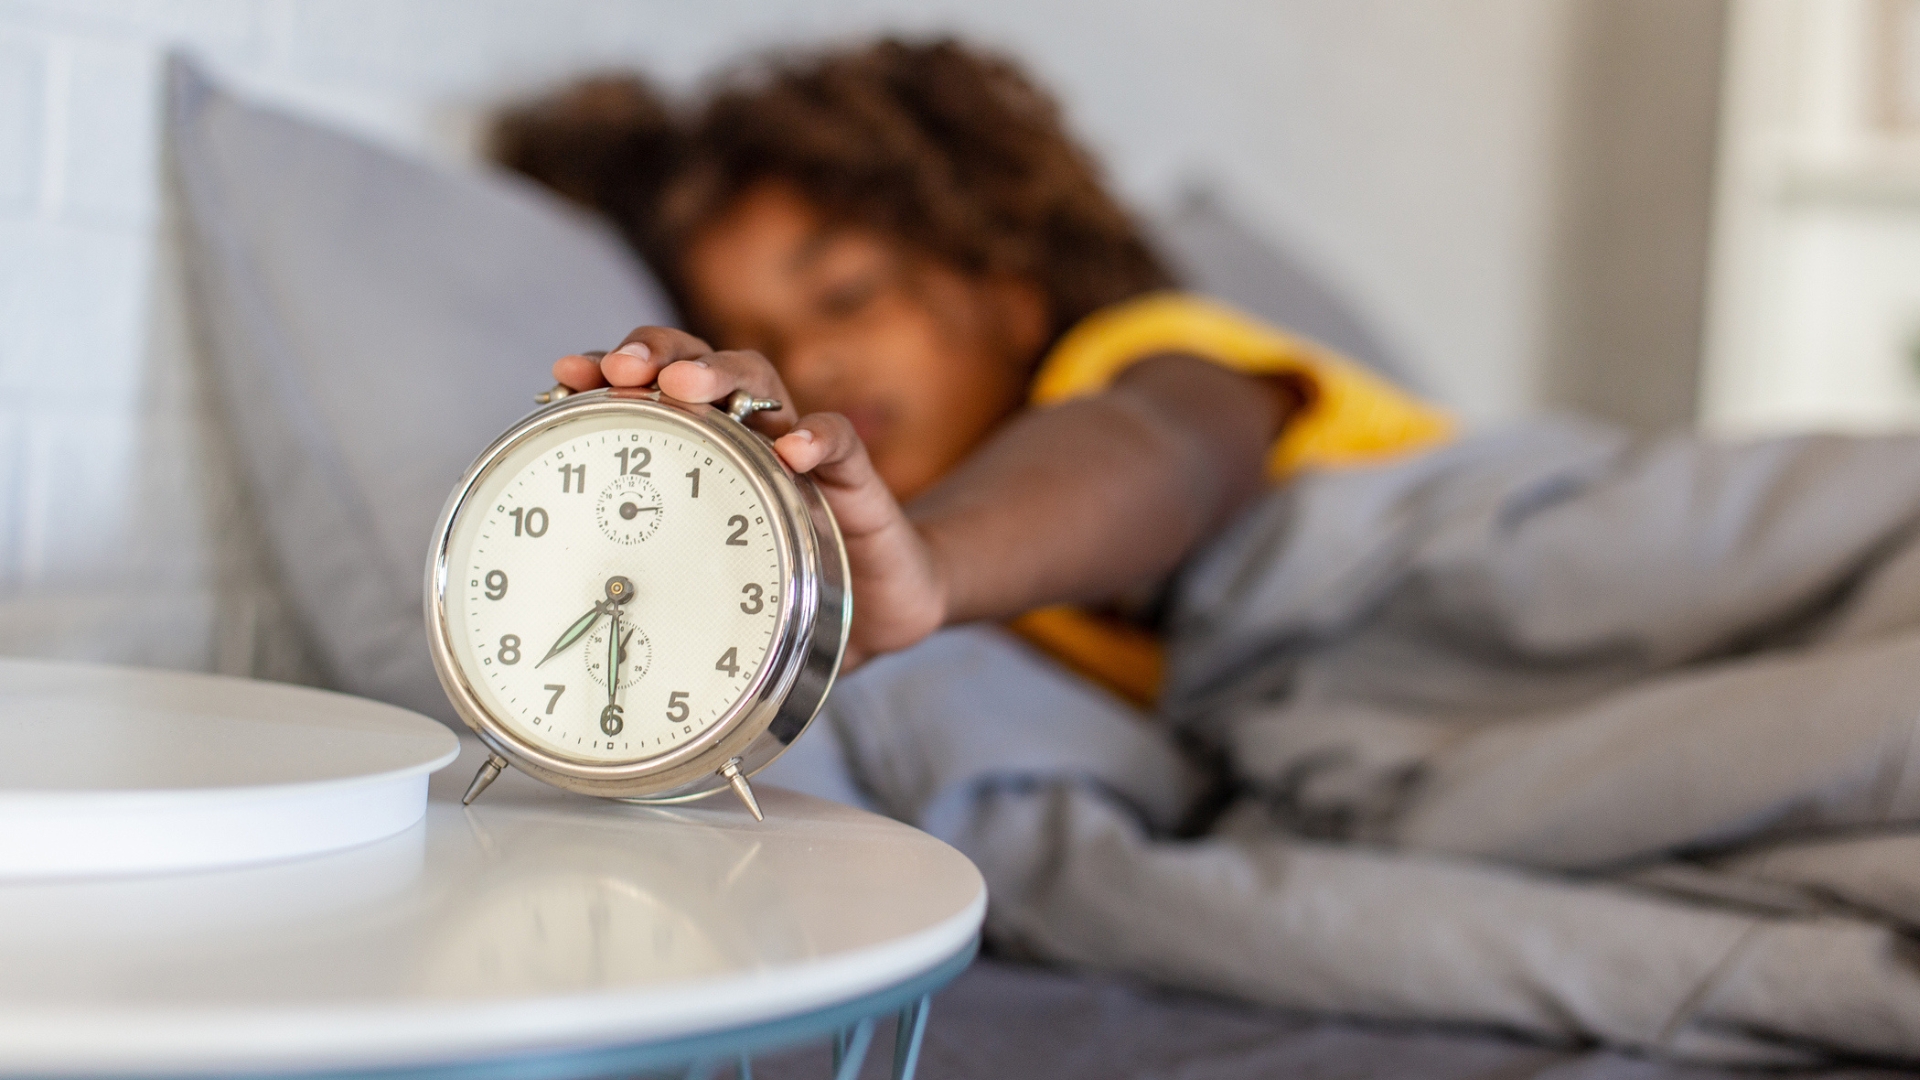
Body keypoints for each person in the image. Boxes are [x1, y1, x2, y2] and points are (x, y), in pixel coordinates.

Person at [492, 37, 1451, 702]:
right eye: (764, 342)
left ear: (1008, 281)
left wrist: (934, 568)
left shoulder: (1145, 356)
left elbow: (1172, 454)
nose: (813, 361)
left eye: (847, 294)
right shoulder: (976, 592)